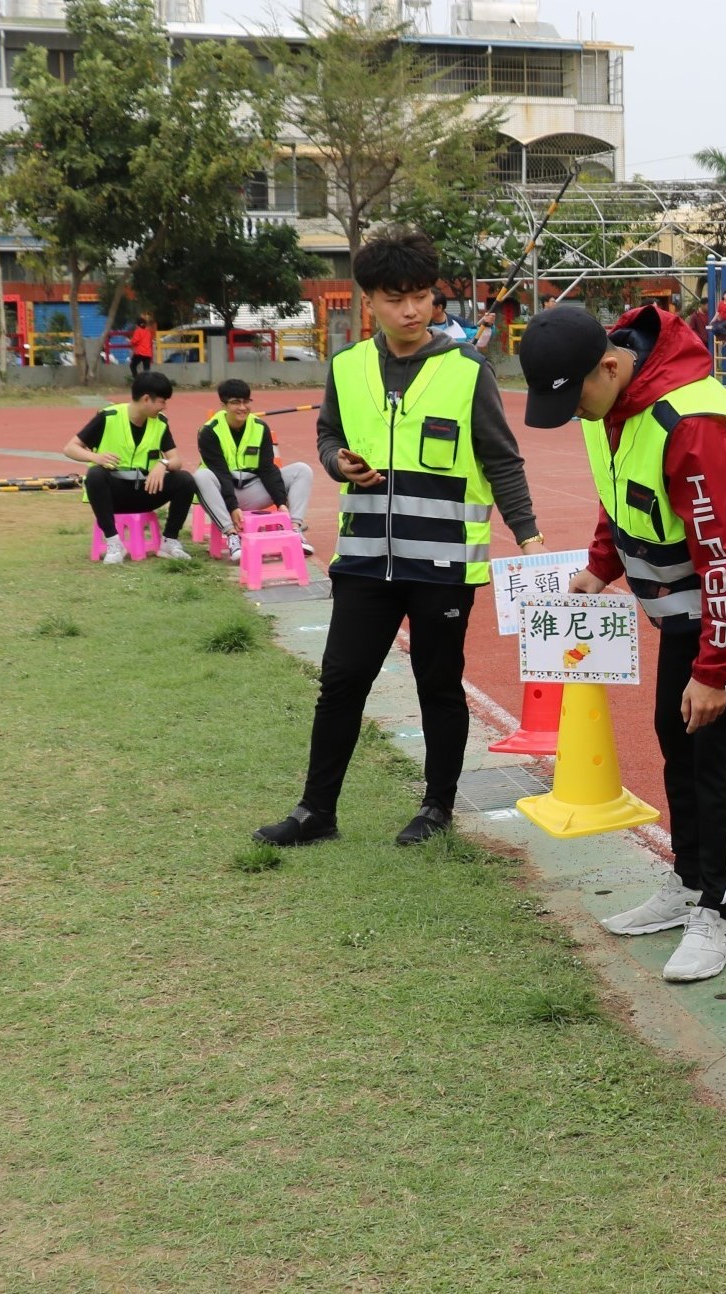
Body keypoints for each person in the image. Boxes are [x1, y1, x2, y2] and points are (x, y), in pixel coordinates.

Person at [517, 304, 726, 983]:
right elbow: (619, 496)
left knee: (719, 752)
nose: (577, 417)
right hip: (692, 596)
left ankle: (718, 912)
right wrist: (600, 566)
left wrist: (715, 670)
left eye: (576, 400)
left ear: (611, 366)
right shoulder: (609, 406)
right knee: (672, 729)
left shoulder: (690, 422)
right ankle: (686, 881)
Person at [254, 227, 544, 850]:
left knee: (438, 685)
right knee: (341, 682)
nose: (410, 310)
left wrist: (530, 538)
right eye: (394, 298)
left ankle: (437, 806)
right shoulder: (348, 366)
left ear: (434, 298)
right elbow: (328, 436)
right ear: (370, 302)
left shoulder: (468, 370)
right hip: (362, 561)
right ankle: (316, 812)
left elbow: (502, 460)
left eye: (421, 297)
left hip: (441, 564)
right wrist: (339, 465)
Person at [63, 370, 196, 564]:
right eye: (162, 401)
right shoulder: (108, 417)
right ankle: (114, 542)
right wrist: (96, 457)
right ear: (146, 399)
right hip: (114, 495)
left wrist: (163, 464)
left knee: (185, 480)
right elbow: (70, 448)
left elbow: (176, 460)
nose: (165, 407)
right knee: (95, 475)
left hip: (146, 491)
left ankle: (170, 541)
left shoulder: (160, 424)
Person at [192, 379, 316, 563]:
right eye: (235, 402)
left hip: (253, 491)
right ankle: (232, 536)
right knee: (201, 476)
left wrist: (280, 501)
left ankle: (294, 529)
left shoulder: (260, 427)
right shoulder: (210, 431)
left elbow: (268, 469)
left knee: (302, 470)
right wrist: (232, 507)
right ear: (223, 404)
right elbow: (220, 473)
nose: (242, 407)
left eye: (246, 401)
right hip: (222, 496)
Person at [128, 314, 155, 379]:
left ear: (137, 324)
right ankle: (147, 382)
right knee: (147, 370)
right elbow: (150, 342)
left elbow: (134, 341)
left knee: (133, 366)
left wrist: (130, 342)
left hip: (139, 352)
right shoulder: (148, 332)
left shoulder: (138, 331)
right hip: (148, 353)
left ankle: (137, 380)